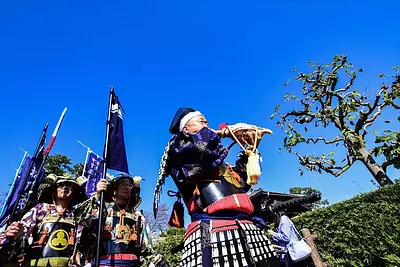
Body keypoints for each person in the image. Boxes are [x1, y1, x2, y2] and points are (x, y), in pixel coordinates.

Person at [153, 108, 279, 267]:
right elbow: (203, 146)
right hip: (214, 229)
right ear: (185, 129)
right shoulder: (179, 148)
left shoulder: (217, 162)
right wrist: (227, 132)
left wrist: (250, 149)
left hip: (247, 226)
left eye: (207, 122)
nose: (206, 124)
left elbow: (243, 184)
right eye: (201, 121)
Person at [0, 173, 89, 267]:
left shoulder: (77, 214)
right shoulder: (41, 208)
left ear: (74, 192)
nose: (65, 187)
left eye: (69, 185)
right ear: (54, 191)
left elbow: (81, 238)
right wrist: (18, 230)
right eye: (61, 185)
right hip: (38, 261)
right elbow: (25, 227)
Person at [92, 174, 151, 267]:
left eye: (129, 185)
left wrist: (150, 258)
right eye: (123, 184)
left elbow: (145, 242)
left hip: (131, 262)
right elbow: (87, 221)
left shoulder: (137, 215)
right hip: (106, 262)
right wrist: (98, 195)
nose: (126, 187)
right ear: (114, 190)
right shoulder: (103, 209)